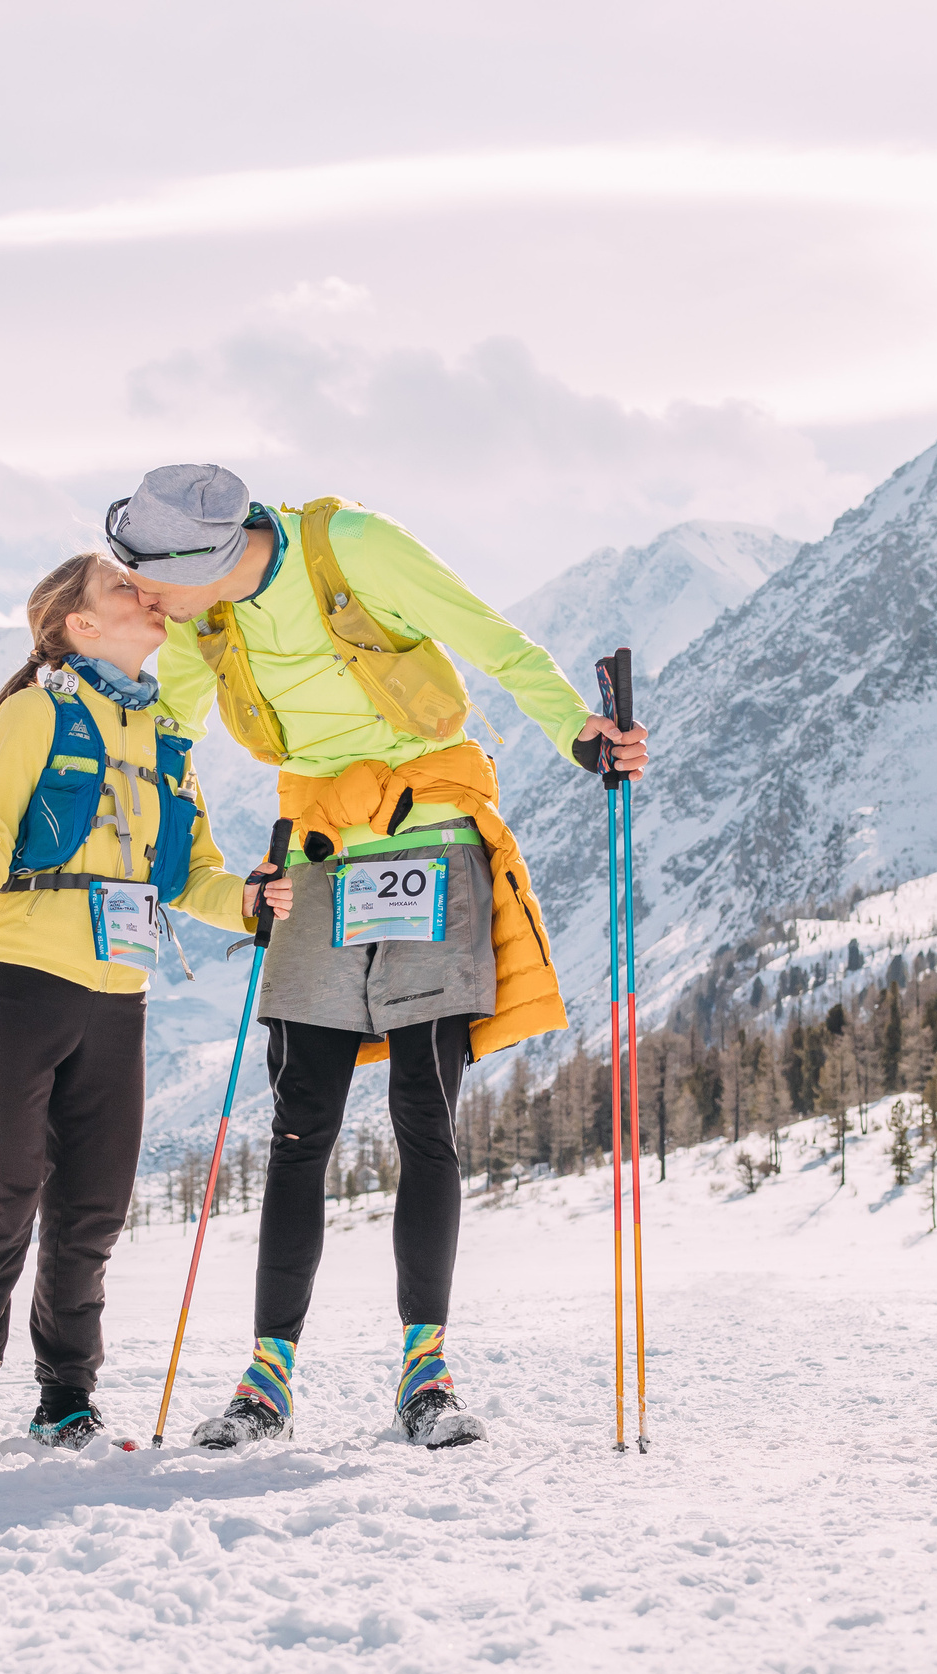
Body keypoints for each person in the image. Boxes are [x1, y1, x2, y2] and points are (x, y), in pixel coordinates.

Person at [112, 464, 649, 1450]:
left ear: (212, 556)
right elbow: (172, 743)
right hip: (317, 849)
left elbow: (493, 640)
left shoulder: (351, 548)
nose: (141, 596)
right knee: (299, 1120)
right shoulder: (201, 627)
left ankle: (426, 1373)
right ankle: (265, 1378)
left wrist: (582, 731)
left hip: (431, 831)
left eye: (149, 575)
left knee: (422, 1109)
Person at [0, 550, 291, 1449]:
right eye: (123, 586)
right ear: (78, 625)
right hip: (15, 977)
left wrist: (243, 896)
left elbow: (192, 872)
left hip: (119, 992)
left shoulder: (166, 731)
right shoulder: (37, 706)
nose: (146, 594)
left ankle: (66, 1400)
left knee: (92, 1210)